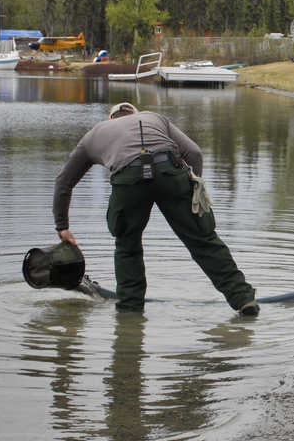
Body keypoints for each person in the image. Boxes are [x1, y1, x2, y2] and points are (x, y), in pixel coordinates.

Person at [53, 102, 258, 315]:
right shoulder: (155, 118)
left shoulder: (94, 135)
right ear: (135, 114)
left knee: (127, 246)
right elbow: (195, 153)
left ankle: (130, 315)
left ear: (110, 119)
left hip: (128, 180)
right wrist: (192, 189)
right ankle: (243, 299)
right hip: (170, 171)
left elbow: (63, 182)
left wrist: (62, 226)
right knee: (203, 240)